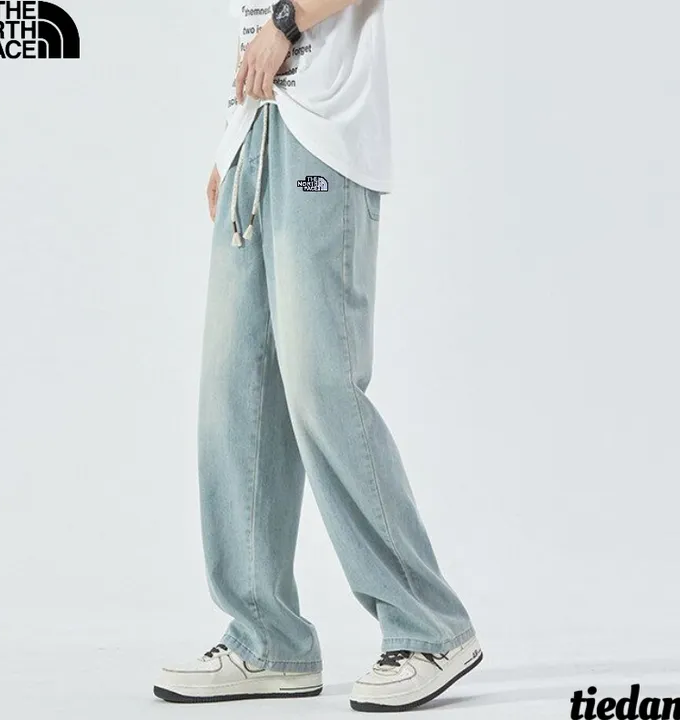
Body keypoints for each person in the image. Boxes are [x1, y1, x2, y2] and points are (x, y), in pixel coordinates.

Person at [153, 0, 483, 712]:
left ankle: (429, 627)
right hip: (257, 135)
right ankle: (265, 639)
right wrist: (233, 138)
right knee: (234, 394)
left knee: (320, 387)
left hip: (325, 142)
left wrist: (286, 22)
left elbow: (280, 26)